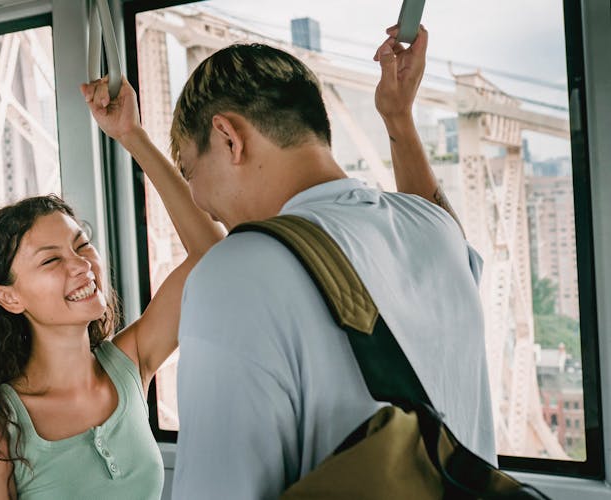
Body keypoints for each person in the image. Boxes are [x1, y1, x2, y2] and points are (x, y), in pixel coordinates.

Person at [169, 26, 496, 499]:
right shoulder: (437, 233)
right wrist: (398, 119)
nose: (199, 200)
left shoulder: (236, 272)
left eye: (188, 170)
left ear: (228, 137)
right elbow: (437, 220)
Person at [0, 76, 223, 499]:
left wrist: (132, 136)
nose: (82, 265)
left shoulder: (130, 364)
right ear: (8, 296)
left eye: (82, 246)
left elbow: (211, 252)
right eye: (51, 259)